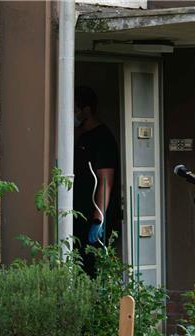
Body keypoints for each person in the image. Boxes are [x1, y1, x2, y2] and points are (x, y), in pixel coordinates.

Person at [73, 86, 120, 276]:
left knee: (93, 268)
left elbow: (106, 181)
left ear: (86, 110)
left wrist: (98, 219)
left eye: (75, 109)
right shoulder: (82, 137)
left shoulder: (103, 138)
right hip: (79, 215)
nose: (72, 114)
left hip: (93, 218)